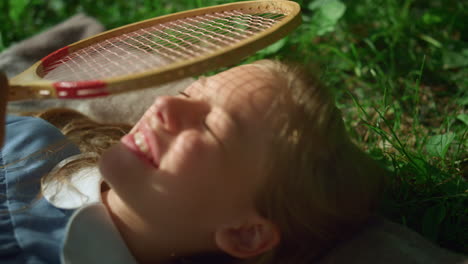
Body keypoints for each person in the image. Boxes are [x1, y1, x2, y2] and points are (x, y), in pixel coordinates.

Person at [0, 60, 384, 264]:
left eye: (209, 127)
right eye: (186, 93)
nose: (164, 105)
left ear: (245, 233)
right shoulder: (24, 142)